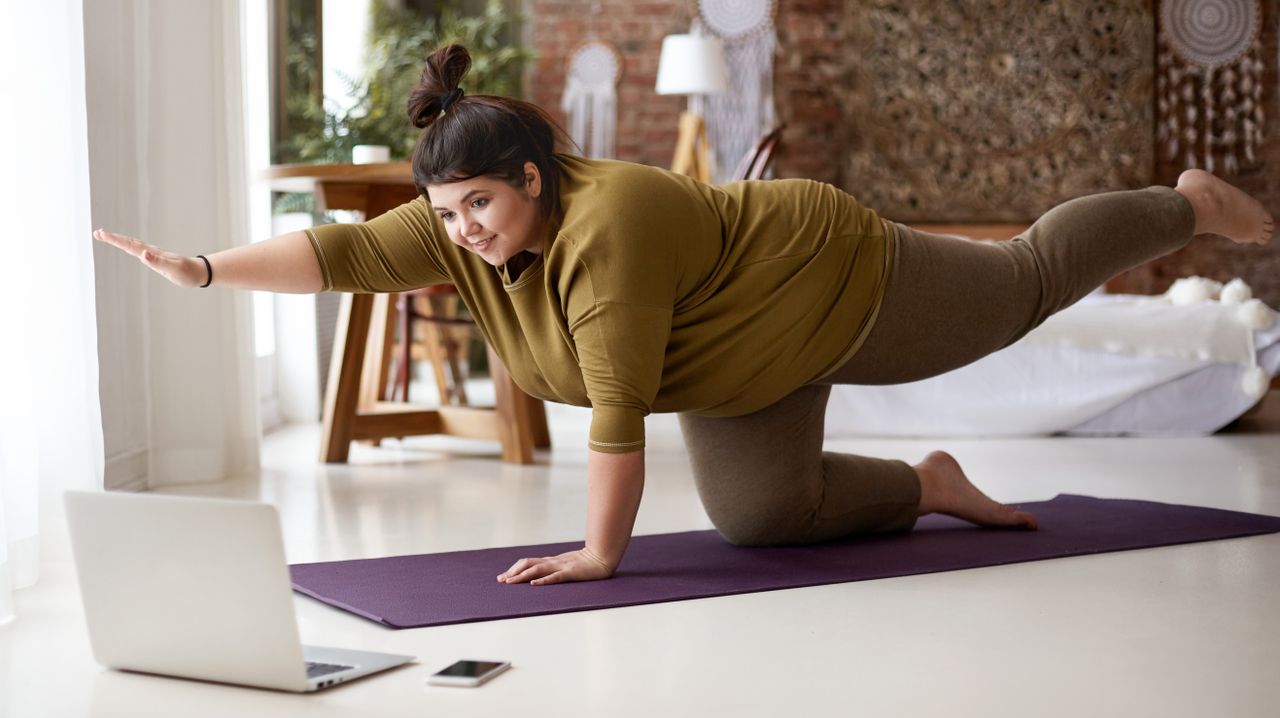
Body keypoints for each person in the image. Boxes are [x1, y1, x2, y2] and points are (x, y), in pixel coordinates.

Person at [95, 44, 1274, 588]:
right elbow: (343, 250)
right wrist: (203, 269)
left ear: (536, 179)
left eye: (480, 207)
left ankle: (1176, 206)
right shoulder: (466, 231)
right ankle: (929, 483)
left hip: (829, 281)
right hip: (732, 360)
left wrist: (602, 554)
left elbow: (615, 411)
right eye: (446, 213)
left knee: (1016, 287)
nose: (462, 233)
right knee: (766, 517)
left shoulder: (612, 236)